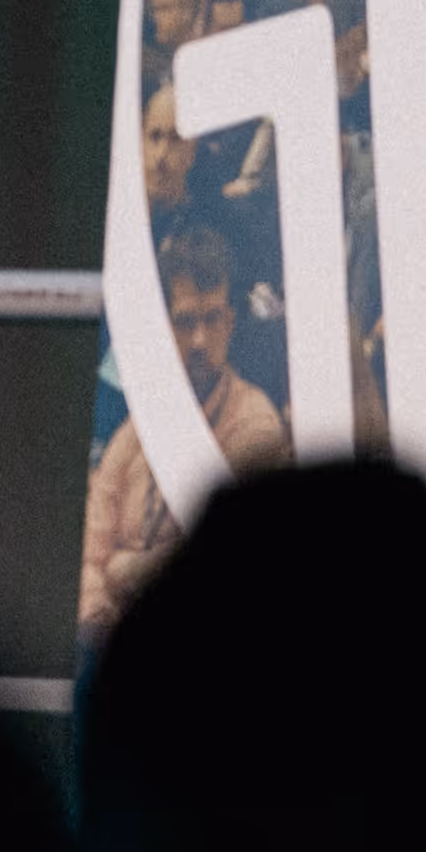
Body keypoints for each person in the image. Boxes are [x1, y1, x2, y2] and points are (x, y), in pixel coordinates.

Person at [82, 218, 293, 645]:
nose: (199, 340)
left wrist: (124, 570)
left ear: (230, 324)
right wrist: (100, 610)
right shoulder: (141, 424)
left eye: (212, 319)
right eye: (185, 321)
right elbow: (89, 547)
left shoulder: (255, 425)